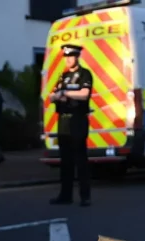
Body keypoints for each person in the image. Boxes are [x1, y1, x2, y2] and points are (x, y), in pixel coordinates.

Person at [49, 44, 94, 207]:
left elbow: (84, 94)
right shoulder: (63, 76)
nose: (68, 59)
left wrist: (65, 94)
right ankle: (65, 195)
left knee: (80, 160)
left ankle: (85, 196)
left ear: (77, 57)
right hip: (64, 121)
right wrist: (56, 96)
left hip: (78, 121)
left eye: (71, 56)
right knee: (65, 161)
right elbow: (52, 95)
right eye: (66, 57)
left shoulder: (84, 74)